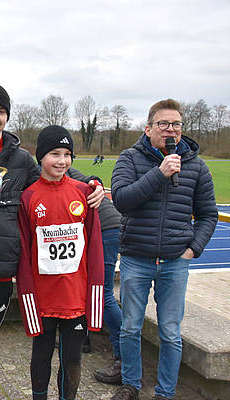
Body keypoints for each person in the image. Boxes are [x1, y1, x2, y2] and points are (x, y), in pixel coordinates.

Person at [0, 84, 104, 400]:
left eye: (0, 111)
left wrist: (92, 183)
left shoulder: (22, 160)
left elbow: (54, 175)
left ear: (7, 116)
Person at [110, 99, 217, 400]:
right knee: (131, 326)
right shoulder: (129, 158)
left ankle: (165, 392)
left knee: (170, 331)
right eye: (164, 124)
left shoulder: (196, 166)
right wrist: (159, 173)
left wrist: (193, 248)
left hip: (175, 262)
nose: (171, 129)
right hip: (136, 259)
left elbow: (208, 214)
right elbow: (122, 200)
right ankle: (131, 384)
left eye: (176, 124)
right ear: (149, 128)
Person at [16, 125, 104, 400]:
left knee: (73, 361)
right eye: (55, 153)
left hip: (75, 299)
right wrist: (28, 302)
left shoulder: (84, 193)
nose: (62, 160)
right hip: (43, 299)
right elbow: (23, 255)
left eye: (67, 154)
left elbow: (95, 251)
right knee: (40, 358)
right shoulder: (28, 197)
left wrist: (94, 303)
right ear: (40, 156)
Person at [68, 168, 123, 383]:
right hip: (98, 227)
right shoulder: (56, 171)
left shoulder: (64, 172)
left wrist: (97, 183)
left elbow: (93, 181)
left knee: (102, 293)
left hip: (105, 227)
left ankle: (124, 358)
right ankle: (83, 339)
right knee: (83, 285)